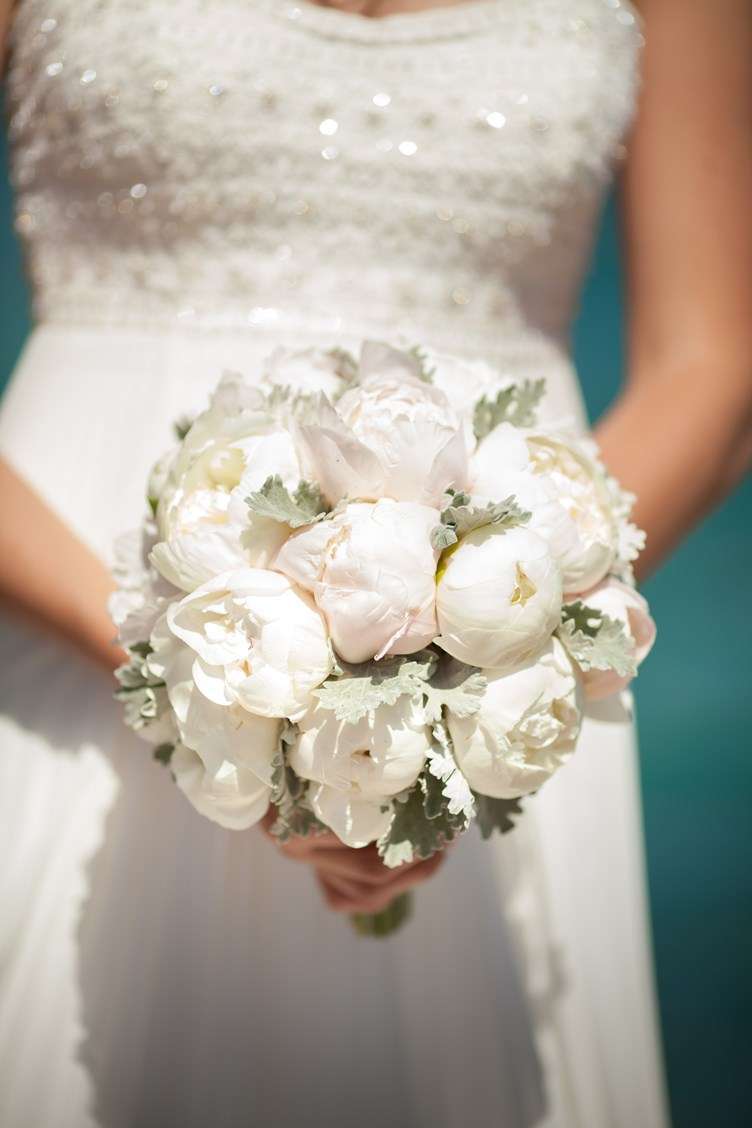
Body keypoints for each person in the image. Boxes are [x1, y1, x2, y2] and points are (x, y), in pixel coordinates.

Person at [0, 1, 749, 1125]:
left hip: (486, 670)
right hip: (68, 616)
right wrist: (215, 671)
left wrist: (495, 643)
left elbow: (711, 362)